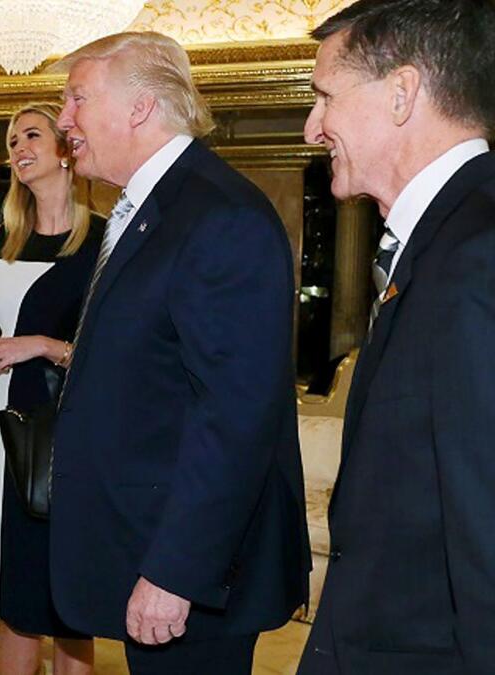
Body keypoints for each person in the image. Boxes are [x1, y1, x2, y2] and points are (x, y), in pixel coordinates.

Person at [50, 32, 311, 674]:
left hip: (193, 574)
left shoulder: (220, 216)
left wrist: (177, 572)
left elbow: (236, 418)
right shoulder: (151, 209)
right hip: (147, 544)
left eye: (77, 99)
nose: (63, 120)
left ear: (141, 107)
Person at [297, 1, 495, 673]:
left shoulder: (478, 254)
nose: (310, 129)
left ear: (402, 93)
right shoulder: (444, 240)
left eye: (324, 97)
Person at [0, 101, 103, 674]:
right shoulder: (0, 239)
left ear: (66, 149)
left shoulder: (103, 241)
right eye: (11, 140)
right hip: (4, 424)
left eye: (31, 135)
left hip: (68, 430)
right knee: (14, 587)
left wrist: (43, 345)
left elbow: (115, 352)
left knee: (68, 595)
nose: (18, 147)